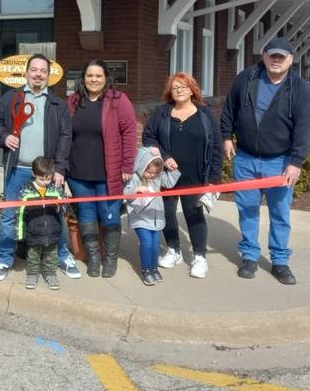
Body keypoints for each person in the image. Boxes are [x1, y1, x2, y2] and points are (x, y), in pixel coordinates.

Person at [221, 37, 310, 285]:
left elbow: (305, 128)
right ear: (264, 55)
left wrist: (296, 162)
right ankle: (250, 256)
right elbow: (229, 108)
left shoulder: (299, 88)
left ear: (290, 60)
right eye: (272, 55)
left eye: (281, 56)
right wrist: (226, 137)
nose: (276, 60)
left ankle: (280, 261)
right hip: (246, 159)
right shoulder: (246, 78)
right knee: (247, 210)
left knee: (280, 213)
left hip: (280, 162)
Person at [0, 54, 78, 281]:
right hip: (17, 169)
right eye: (34, 70)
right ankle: (5, 258)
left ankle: (62, 256)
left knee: (55, 215)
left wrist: (59, 168)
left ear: (49, 75)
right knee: (9, 215)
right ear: (26, 73)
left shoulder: (57, 105)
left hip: (47, 174)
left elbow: (66, 137)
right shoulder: (12, 98)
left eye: (43, 71)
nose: (38, 74)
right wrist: (4, 136)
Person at [142, 72, 223, 279]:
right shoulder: (162, 113)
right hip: (167, 177)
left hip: (196, 176)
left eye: (183, 86)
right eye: (175, 87)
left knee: (194, 215)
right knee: (167, 214)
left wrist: (214, 181)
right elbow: (148, 137)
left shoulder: (205, 115)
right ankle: (173, 250)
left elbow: (215, 148)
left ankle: (199, 256)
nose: (179, 90)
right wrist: (164, 155)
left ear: (192, 89)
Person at [66, 59, 136, 277]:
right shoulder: (73, 101)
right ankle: (94, 257)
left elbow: (129, 133)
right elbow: (64, 133)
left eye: (98, 75)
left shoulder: (118, 100)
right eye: (89, 76)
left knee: (109, 213)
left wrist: (127, 165)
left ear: (106, 78)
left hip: (109, 171)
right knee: (86, 213)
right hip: (78, 172)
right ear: (83, 79)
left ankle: (111, 259)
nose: (93, 79)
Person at [125, 147, 180, 285]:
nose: (151, 175)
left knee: (155, 244)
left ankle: (154, 268)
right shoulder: (135, 178)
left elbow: (169, 182)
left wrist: (173, 170)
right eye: (149, 172)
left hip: (156, 218)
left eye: (155, 173)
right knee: (147, 242)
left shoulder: (157, 177)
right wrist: (136, 189)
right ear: (142, 165)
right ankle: (146, 270)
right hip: (141, 218)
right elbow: (126, 192)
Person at [17, 157, 66, 290]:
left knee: (51, 256)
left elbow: (64, 208)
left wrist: (60, 206)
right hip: (33, 231)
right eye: (41, 179)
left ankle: (50, 274)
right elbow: (19, 212)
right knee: (32, 256)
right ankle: (32, 274)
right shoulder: (26, 190)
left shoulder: (56, 189)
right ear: (33, 174)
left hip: (52, 231)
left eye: (48, 179)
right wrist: (20, 233)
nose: (45, 182)